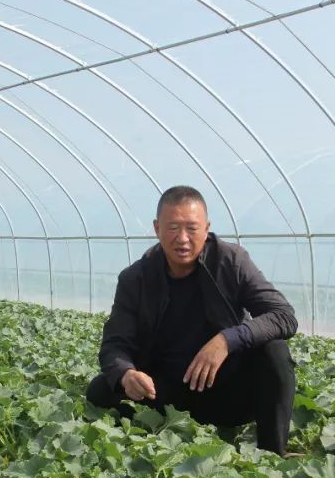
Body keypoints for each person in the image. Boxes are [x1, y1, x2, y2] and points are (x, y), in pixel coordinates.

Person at [86, 186, 297, 454]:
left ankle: (271, 456)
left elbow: (283, 316)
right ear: (157, 228)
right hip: (166, 395)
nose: (182, 239)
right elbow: (114, 344)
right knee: (101, 389)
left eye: (192, 228)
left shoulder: (231, 262)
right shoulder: (135, 279)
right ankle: (141, 447)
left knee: (274, 351)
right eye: (172, 228)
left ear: (206, 228)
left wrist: (226, 340)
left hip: (227, 392)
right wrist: (126, 373)